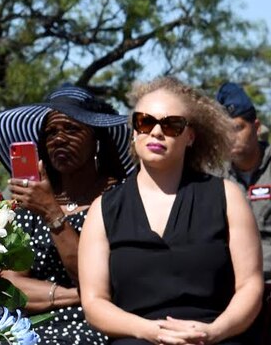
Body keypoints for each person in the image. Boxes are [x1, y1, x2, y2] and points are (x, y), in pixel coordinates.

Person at [79, 76, 263, 344]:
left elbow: (250, 285)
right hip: (135, 338)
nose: (156, 132)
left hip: (216, 337)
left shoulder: (227, 197)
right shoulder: (103, 209)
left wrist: (213, 332)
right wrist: (149, 331)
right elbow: (94, 302)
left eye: (171, 124)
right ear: (133, 131)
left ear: (190, 137)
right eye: (145, 121)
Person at [0, 83, 134, 345]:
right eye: (51, 132)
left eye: (72, 129)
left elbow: (104, 278)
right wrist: (77, 294)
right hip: (33, 327)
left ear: (97, 140)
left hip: (98, 325)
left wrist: (52, 213)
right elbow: (11, 287)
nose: (59, 138)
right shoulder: (30, 206)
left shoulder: (121, 199)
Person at [216, 82, 271, 282]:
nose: (231, 137)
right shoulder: (212, 177)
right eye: (224, 131)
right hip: (229, 288)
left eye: (238, 128)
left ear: (256, 127)